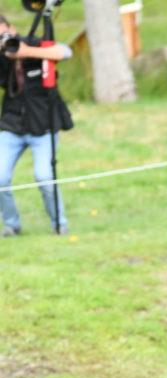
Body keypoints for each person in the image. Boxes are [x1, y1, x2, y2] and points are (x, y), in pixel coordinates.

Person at [0, 14, 73, 238]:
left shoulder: (31, 42)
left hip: (43, 125)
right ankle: (12, 224)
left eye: (3, 32)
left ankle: (59, 223)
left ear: (11, 28)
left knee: (44, 177)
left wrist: (24, 52)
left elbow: (64, 51)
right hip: (12, 126)